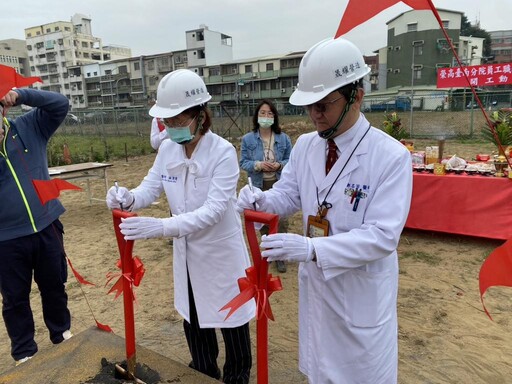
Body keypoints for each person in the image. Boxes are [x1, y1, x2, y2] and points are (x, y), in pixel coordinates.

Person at [236, 37, 413, 383]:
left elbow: (382, 236)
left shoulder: (390, 157)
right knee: (320, 374)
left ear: (356, 97)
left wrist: (312, 248)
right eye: (310, 105)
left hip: (359, 295)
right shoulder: (305, 146)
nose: (316, 114)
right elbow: (289, 193)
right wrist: (261, 201)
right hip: (319, 292)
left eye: (325, 104)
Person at [106, 69, 255, 384]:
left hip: (221, 255)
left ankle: (237, 377)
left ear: (200, 115)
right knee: (196, 321)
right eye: (167, 121)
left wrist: (159, 227)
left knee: (232, 324)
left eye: (177, 119)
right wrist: (126, 197)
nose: (171, 127)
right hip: (188, 255)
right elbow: (150, 189)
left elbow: (213, 210)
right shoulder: (167, 149)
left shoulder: (223, 153)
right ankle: (203, 373)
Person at [0, 87, 73, 366]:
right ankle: (24, 353)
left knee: (54, 286)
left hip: (47, 227)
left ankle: (61, 333)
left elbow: (60, 103)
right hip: (6, 240)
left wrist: (21, 94)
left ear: (3, 110)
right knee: (15, 299)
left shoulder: (29, 126)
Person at [239, 100, 292, 273]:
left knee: (280, 220)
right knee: (262, 221)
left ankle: (280, 256)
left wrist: (279, 165)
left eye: (269, 113)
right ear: (257, 116)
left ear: (274, 117)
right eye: (262, 113)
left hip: (278, 183)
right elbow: (243, 162)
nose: (266, 117)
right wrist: (258, 165)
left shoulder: (283, 138)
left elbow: (290, 162)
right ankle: (269, 251)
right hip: (258, 184)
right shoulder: (248, 139)